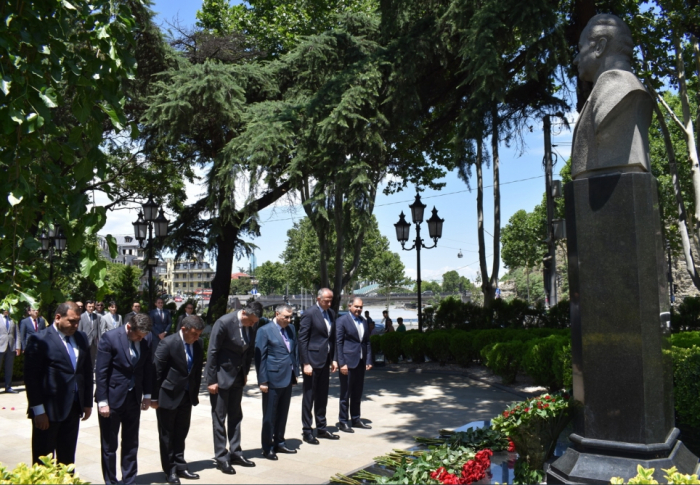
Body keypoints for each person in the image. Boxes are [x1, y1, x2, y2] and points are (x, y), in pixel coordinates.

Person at [571, 14, 653, 180]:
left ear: (599, 47)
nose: (575, 60)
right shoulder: (608, 91)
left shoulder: (619, 90)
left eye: (581, 49)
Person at [24, 302, 93, 466]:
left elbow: (86, 372)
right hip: (48, 411)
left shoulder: (81, 337)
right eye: (71, 321)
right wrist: (38, 410)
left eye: (77, 321)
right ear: (57, 318)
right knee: (43, 460)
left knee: (67, 460)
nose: (75, 325)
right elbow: (31, 378)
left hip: (73, 408)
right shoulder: (39, 339)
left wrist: (87, 403)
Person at [95, 314, 154, 484]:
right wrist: (103, 401)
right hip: (112, 399)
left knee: (131, 443)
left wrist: (148, 395)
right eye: (137, 336)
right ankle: (111, 481)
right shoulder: (110, 338)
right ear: (129, 328)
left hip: (133, 398)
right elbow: (101, 372)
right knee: (109, 445)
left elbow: (147, 368)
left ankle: (129, 479)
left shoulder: (146, 339)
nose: (140, 339)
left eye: (143, 337)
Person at [205, 302, 262, 474]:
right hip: (221, 377)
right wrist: (211, 380)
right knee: (219, 417)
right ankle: (222, 457)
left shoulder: (252, 323)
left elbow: (248, 350)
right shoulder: (223, 323)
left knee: (236, 415)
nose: (253, 325)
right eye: (251, 321)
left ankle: (236, 452)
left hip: (238, 376)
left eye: (255, 322)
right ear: (244, 313)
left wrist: (245, 371)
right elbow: (212, 352)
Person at [152, 315, 205, 485]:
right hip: (168, 396)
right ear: (183, 329)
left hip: (186, 396)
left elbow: (196, 371)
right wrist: (154, 397)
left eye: (199, 334)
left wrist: (194, 393)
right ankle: (170, 470)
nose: (197, 337)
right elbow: (157, 371)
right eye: (194, 334)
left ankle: (180, 465)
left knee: (181, 432)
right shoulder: (168, 343)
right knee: (167, 435)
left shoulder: (198, 344)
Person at [255, 304, 299, 460]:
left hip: (287, 377)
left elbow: (293, 352)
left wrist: (295, 373)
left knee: (283, 413)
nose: (288, 320)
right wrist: (263, 380)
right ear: (277, 314)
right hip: (272, 379)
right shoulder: (264, 331)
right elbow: (261, 357)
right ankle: (267, 447)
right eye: (286, 317)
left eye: (290, 317)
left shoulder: (291, 329)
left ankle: (279, 442)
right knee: (270, 415)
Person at [298, 288, 339, 445]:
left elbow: (332, 338)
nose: (329, 303)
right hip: (312, 362)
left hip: (325, 360)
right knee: (309, 396)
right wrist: (305, 363)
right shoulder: (309, 313)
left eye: (331, 300)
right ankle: (307, 430)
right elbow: (302, 339)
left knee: (322, 396)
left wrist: (334, 358)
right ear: (318, 298)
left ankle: (321, 427)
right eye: (326, 300)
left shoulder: (331, 313)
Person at [336, 297, 373, 432]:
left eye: (361, 307)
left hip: (361, 362)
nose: (358, 309)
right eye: (356, 307)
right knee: (345, 393)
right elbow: (338, 343)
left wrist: (368, 360)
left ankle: (356, 419)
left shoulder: (363, 321)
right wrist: (342, 363)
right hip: (347, 363)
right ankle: (343, 421)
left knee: (357, 393)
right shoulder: (342, 321)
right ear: (349, 306)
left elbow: (367, 342)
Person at [78, 300, 108, 368]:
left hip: (94, 342)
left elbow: (98, 330)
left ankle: (91, 373)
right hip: (85, 341)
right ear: (86, 307)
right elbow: (79, 330)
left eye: (92, 307)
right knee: (84, 358)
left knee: (93, 359)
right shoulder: (82, 317)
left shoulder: (96, 316)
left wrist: (100, 341)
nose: (91, 308)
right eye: (89, 307)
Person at [0, 308, 20, 393]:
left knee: (9, 368)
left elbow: (17, 334)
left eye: (7, 309)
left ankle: (8, 387)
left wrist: (18, 347)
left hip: (11, 347)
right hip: (0, 346)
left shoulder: (13, 319)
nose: (6, 311)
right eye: (4, 309)